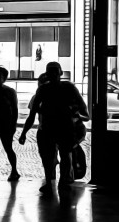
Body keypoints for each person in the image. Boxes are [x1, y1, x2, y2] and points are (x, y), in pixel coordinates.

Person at [19, 62, 88, 194]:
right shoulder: (54, 88)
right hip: (52, 128)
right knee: (51, 157)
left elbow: (83, 109)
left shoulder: (63, 88)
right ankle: (56, 181)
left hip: (60, 128)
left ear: (60, 73)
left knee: (61, 155)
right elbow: (32, 113)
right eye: (51, 71)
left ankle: (60, 181)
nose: (53, 74)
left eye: (55, 71)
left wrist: (77, 114)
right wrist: (24, 132)